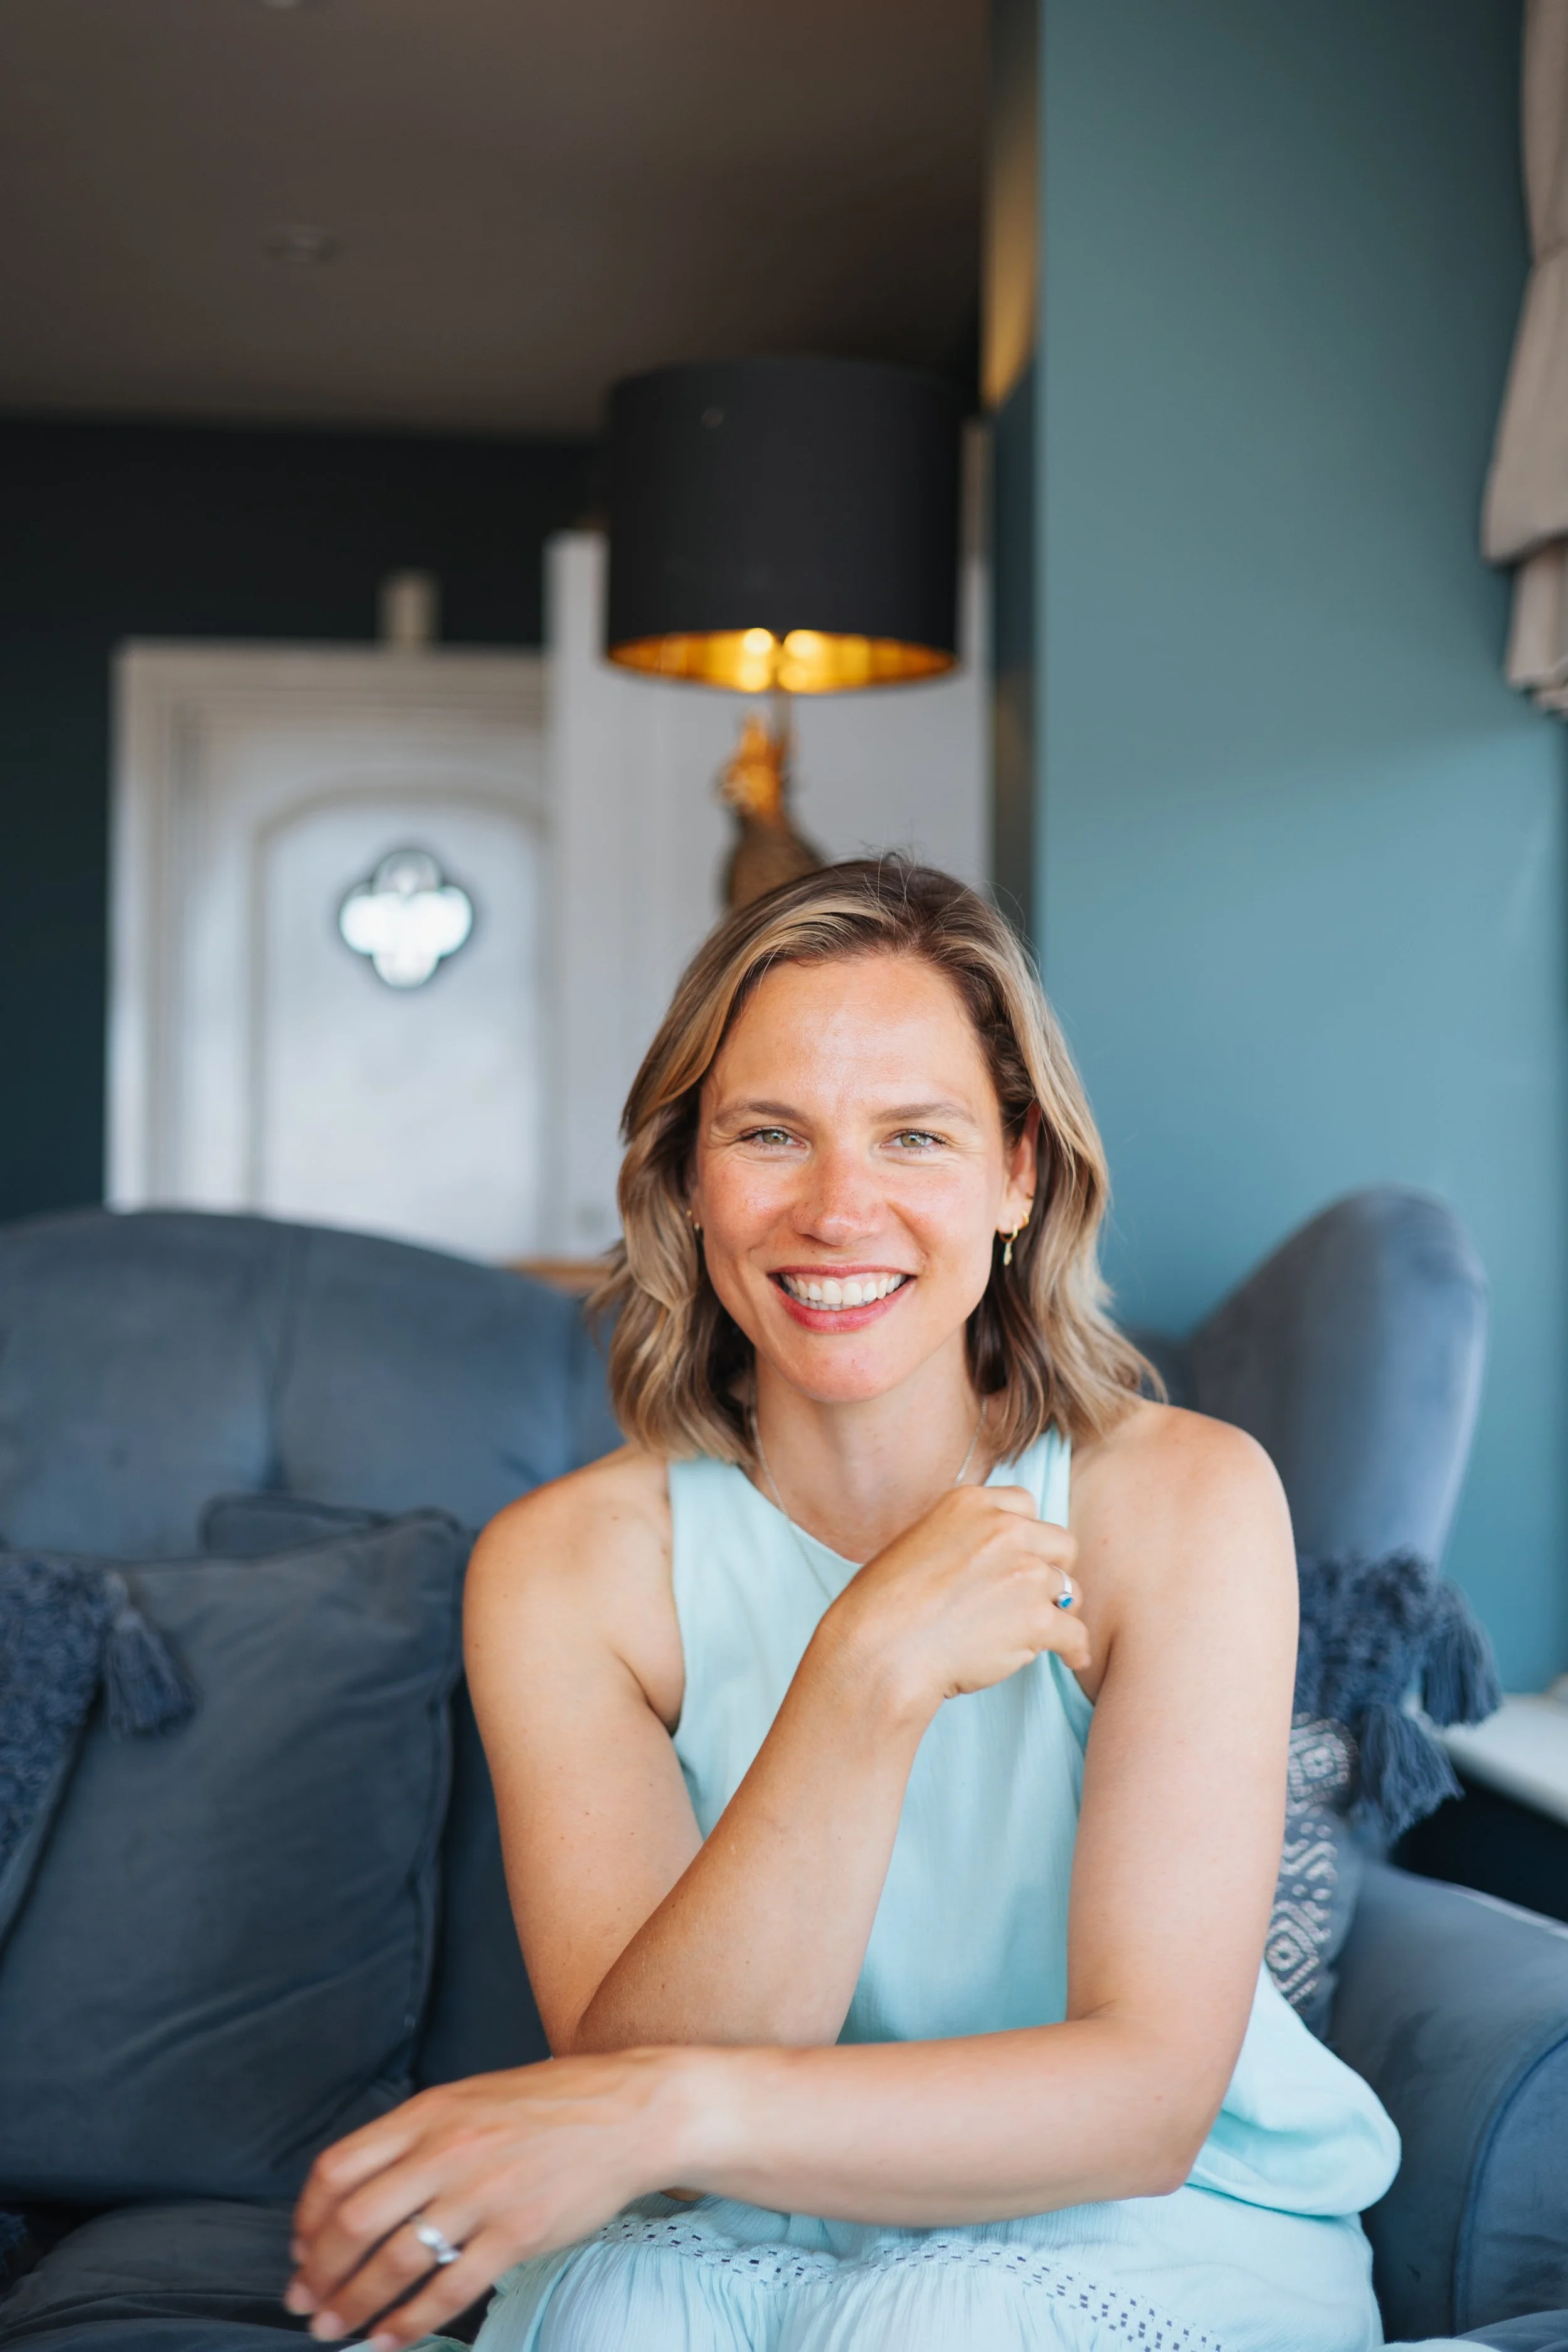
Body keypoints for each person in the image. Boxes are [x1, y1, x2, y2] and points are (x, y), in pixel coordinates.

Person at [283, 860, 1465, 2352]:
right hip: (735, 2215)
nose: (839, 1210)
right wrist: (860, 1675)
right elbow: (638, 2081)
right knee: (620, 2318)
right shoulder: (564, 1569)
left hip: (1142, 2220)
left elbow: (1142, 2105)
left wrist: (667, 2106)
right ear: (687, 1180)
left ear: (1016, 1172)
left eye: (914, 1135)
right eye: (768, 1135)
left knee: (938, 2323)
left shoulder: (1184, 1501)